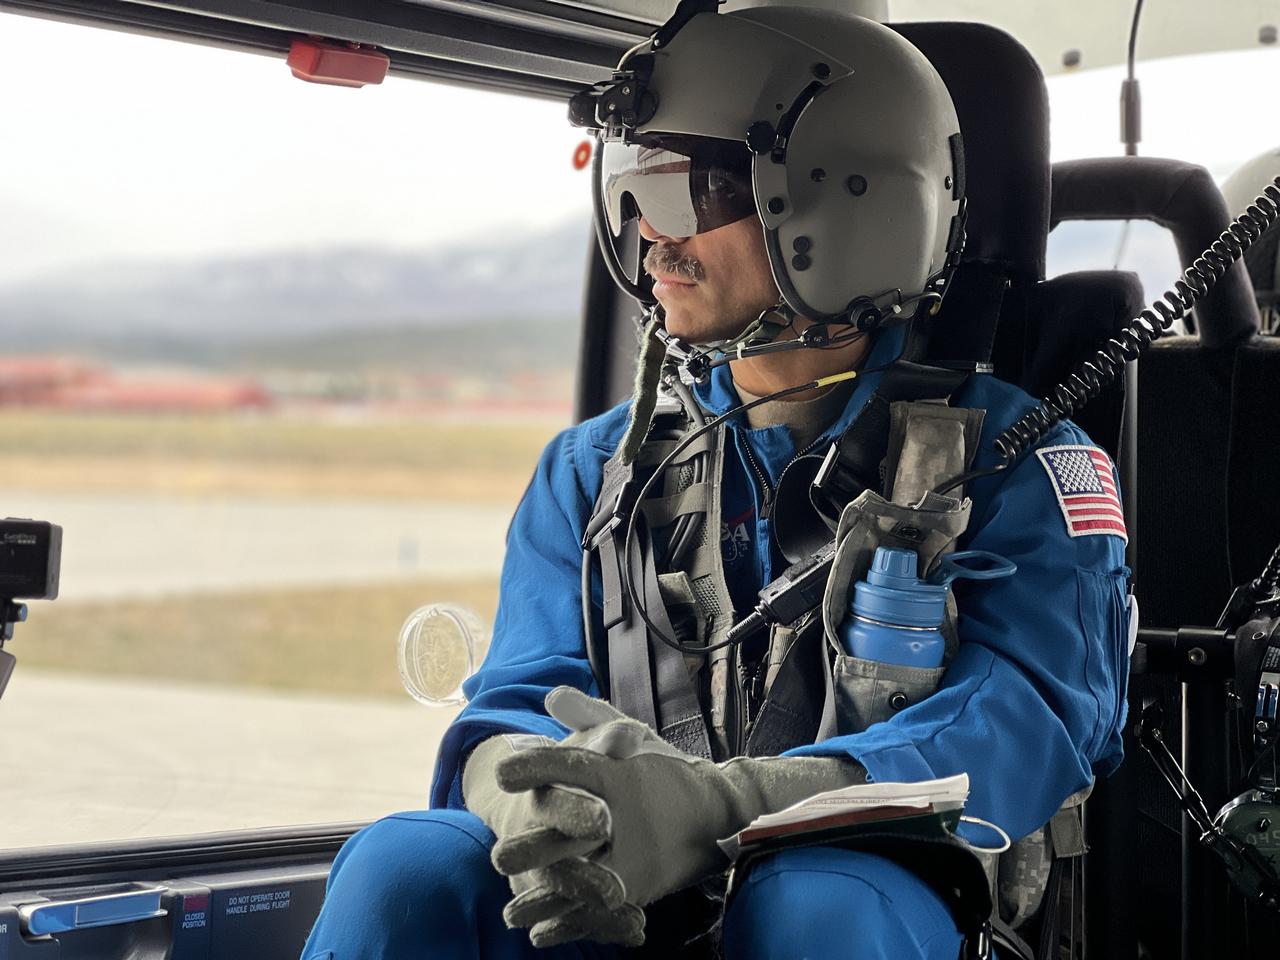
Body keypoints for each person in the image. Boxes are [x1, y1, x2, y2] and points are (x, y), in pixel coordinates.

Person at [300, 6, 1129, 959]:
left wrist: (721, 808)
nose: (651, 236)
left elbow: (1017, 726)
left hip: (876, 894)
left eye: (693, 191)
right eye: (631, 189)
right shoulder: (592, 471)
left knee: (815, 902)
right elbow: (521, 697)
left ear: (846, 200)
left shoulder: (1023, 464)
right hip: (623, 907)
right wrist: (527, 796)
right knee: (407, 866)